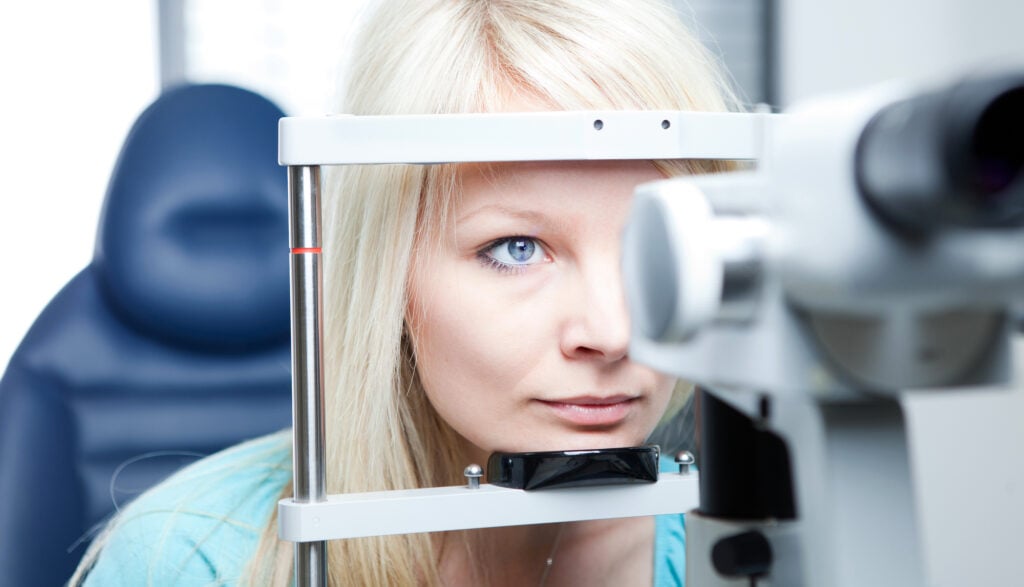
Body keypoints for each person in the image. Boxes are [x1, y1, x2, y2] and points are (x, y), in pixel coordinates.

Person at [71, 0, 737, 584]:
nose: (613, 329)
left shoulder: (744, 548)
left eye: (651, 244)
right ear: (390, 276)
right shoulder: (183, 563)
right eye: (517, 248)